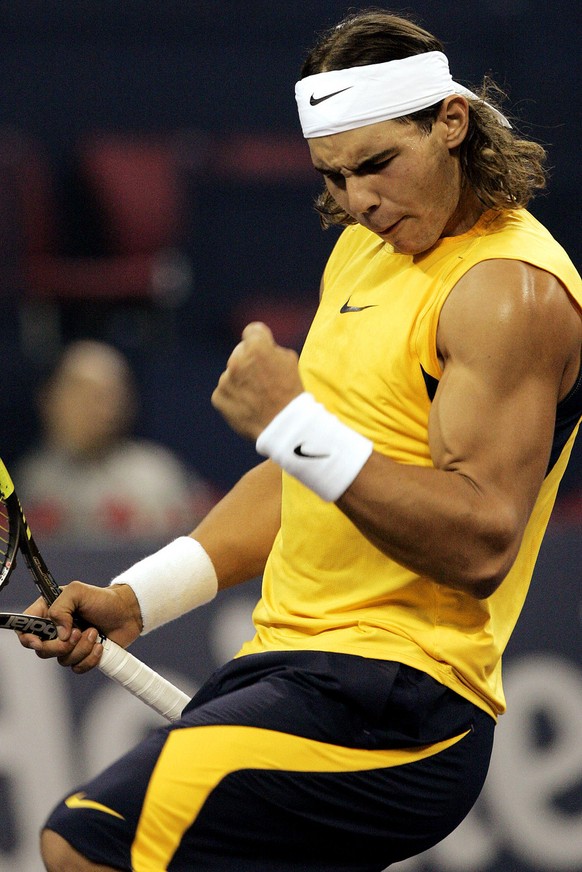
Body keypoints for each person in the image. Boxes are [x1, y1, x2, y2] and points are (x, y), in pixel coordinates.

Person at [19, 9, 582, 871]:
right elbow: (302, 481)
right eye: (336, 176)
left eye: (379, 165)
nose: (359, 200)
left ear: (451, 122)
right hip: (287, 667)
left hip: (400, 706)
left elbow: (481, 541)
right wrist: (139, 599)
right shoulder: (363, 252)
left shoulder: (509, 291)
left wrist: (296, 425)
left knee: (86, 844)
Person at [15, 339, 217, 545]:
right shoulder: (30, 481)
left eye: (108, 395)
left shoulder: (156, 476)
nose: (98, 407)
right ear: (49, 398)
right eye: (82, 393)